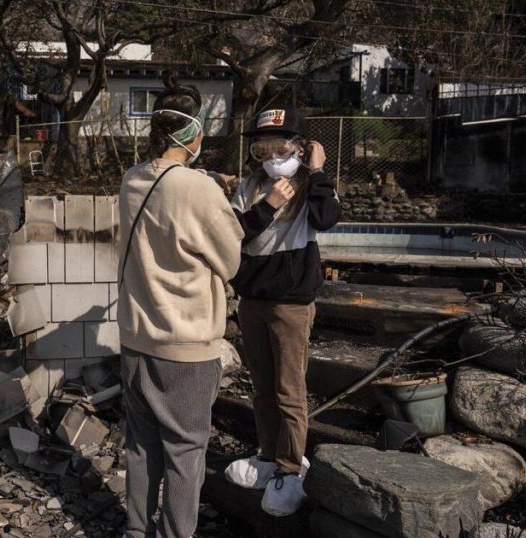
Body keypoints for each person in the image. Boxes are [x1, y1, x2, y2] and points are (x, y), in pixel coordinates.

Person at [118, 78, 244, 538]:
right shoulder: (198, 188)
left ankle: (136, 530)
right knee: (185, 452)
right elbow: (230, 259)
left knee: (141, 444)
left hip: (135, 336)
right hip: (185, 345)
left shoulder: (131, 180)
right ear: (195, 136)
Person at [223, 105, 341, 517]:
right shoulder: (250, 187)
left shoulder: (312, 186)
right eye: (262, 150)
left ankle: (291, 468)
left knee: (289, 391)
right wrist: (269, 204)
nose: (271, 158)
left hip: (292, 304)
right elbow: (233, 234)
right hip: (252, 300)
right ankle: (269, 454)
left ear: (301, 148)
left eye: (281, 148)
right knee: (261, 387)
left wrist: (320, 169)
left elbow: (327, 220)